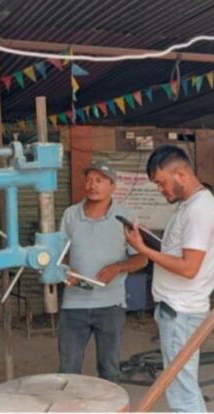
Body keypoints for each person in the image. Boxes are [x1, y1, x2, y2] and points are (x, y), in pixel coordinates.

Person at [124, 145, 214, 412]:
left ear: (181, 174)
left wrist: (143, 250)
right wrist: (151, 243)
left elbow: (189, 268)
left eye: (161, 183)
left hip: (181, 310)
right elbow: (180, 256)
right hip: (179, 309)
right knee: (183, 385)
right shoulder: (189, 206)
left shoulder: (199, 210)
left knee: (182, 391)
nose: (160, 190)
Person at [58, 161, 148, 382]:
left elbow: (142, 258)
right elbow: (59, 254)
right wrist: (65, 270)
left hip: (111, 305)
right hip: (74, 305)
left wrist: (118, 267)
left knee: (109, 370)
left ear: (112, 185)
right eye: (89, 180)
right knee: (68, 370)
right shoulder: (71, 215)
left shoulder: (126, 217)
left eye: (99, 180)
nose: (92, 185)